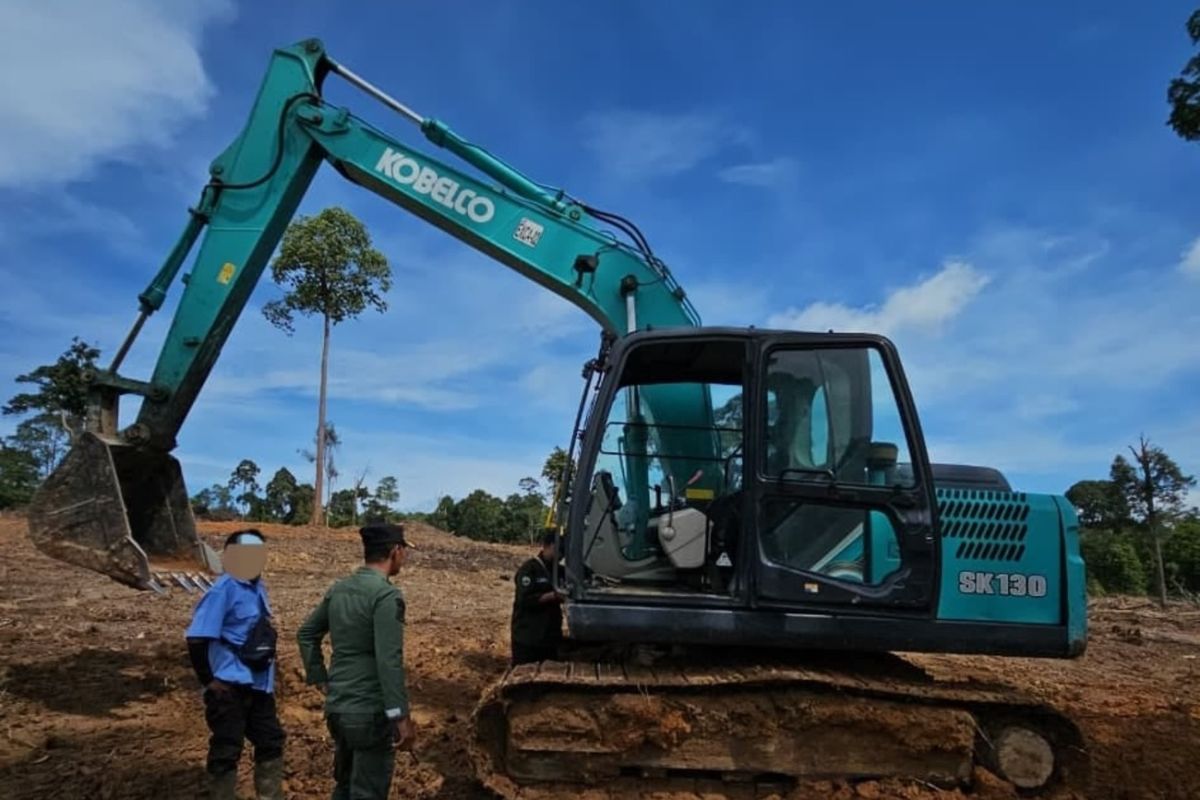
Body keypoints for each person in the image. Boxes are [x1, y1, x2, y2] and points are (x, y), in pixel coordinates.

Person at [297, 523, 416, 800]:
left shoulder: (340, 589)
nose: (405, 558)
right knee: (367, 792)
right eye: (404, 552)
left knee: (345, 787)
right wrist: (399, 716)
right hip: (369, 713)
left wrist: (320, 678)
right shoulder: (386, 595)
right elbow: (389, 660)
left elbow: (306, 634)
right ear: (395, 551)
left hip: (338, 709)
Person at [184, 529, 284, 800]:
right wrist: (210, 681)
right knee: (227, 748)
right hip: (228, 687)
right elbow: (196, 639)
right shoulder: (222, 590)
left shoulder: (257, 588)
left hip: (259, 684)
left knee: (271, 741)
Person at [510, 529, 565, 665]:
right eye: (560, 549)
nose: (562, 555)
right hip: (528, 638)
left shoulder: (559, 571)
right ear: (550, 545)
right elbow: (525, 600)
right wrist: (553, 595)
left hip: (549, 638)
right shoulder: (529, 570)